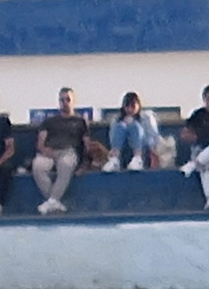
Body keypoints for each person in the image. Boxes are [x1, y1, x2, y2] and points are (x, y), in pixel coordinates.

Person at [32, 87, 91, 215]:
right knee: (38, 166)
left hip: (68, 152)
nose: (65, 103)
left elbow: (87, 144)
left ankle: (51, 201)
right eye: (62, 100)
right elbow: (40, 142)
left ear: (73, 101)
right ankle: (54, 202)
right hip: (49, 152)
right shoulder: (49, 121)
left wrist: (85, 163)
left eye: (68, 99)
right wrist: (46, 151)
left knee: (66, 165)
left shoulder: (80, 121)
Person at [102, 92, 160, 173]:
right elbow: (113, 137)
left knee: (134, 126)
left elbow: (153, 137)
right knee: (120, 126)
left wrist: (133, 125)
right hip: (124, 150)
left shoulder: (146, 117)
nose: (130, 109)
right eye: (127, 106)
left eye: (133, 106)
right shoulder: (117, 119)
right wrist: (125, 126)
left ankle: (137, 159)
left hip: (143, 149)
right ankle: (115, 160)